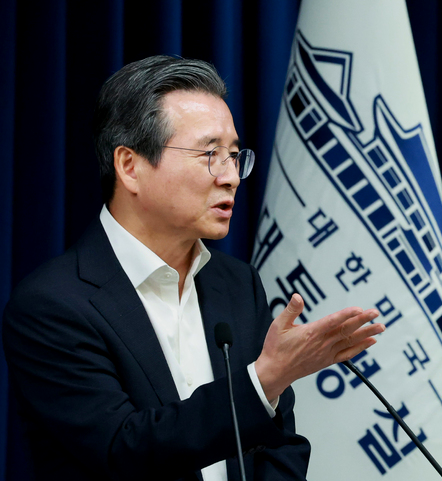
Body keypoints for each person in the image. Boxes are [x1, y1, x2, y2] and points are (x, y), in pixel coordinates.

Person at [2, 55, 383, 481]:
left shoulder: (238, 284)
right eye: (210, 154)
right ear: (129, 166)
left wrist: (267, 386)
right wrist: (262, 381)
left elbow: (281, 443)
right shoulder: (53, 305)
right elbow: (122, 450)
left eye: (234, 155)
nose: (231, 177)